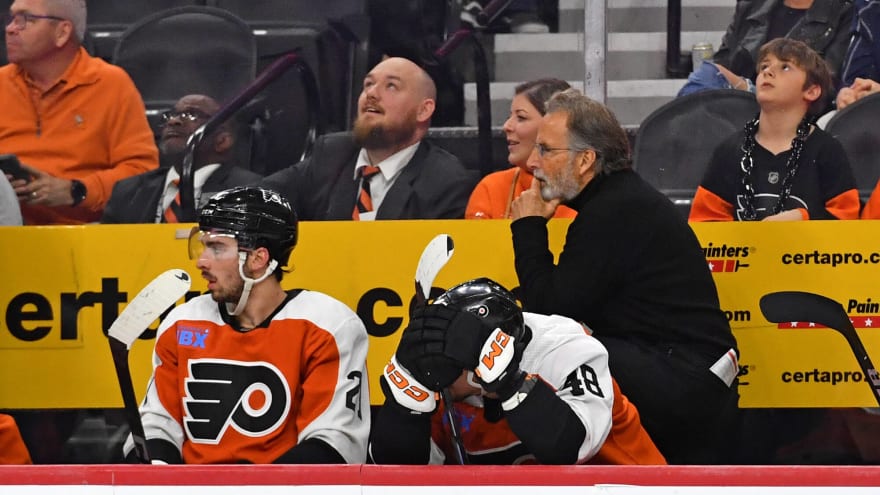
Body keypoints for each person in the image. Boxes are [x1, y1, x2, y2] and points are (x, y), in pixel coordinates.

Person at [507, 88, 740, 464]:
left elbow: (551, 312)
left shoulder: (614, 211)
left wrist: (529, 227)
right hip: (686, 370)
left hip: (685, 380)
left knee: (558, 352)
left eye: (546, 150)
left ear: (585, 160)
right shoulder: (617, 201)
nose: (533, 161)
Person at [123, 187, 370, 464]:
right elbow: (156, 424)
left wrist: (252, 488)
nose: (201, 262)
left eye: (216, 248)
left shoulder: (328, 327)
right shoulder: (184, 323)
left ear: (257, 258)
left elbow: (335, 443)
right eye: (201, 246)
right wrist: (156, 473)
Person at [369, 278, 665, 465]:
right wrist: (405, 403)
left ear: (479, 367)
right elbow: (397, 474)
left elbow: (571, 449)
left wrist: (509, 382)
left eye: (446, 358)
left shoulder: (565, 347)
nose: (433, 369)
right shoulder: (436, 381)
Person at [260, 56, 479, 220]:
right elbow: (259, 197)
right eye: (368, 84)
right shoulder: (331, 153)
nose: (372, 94)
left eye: (391, 86)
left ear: (423, 110)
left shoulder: (446, 181)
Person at [1, 0, 159, 224]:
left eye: (26, 19)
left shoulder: (111, 84)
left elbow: (142, 175)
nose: (10, 28)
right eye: (12, 18)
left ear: (62, 32)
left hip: (87, 233)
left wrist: (76, 191)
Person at [690, 39, 860, 221]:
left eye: (785, 67)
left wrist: (803, 218)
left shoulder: (827, 150)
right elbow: (704, 223)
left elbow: (847, 220)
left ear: (811, 91)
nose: (767, 72)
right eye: (764, 66)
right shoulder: (729, 151)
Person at [101, 94, 261, 224]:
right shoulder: (128, 191)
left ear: (223, 140)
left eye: (192, 115)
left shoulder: (249, 191)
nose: (173, 121)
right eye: (171, 115)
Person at [678, 0, 853, 100]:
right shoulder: (753, 5)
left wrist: (746, 87)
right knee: (706, 76)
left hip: (793, 108)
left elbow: (826, 85)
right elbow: (723, 65)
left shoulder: (845, 11)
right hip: (739, 104)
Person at [466, 78, 576, 219]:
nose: (506, 126)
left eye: (521, 117)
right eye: (509, 116)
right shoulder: (491, 188)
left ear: (555, 124)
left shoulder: (589, 189)